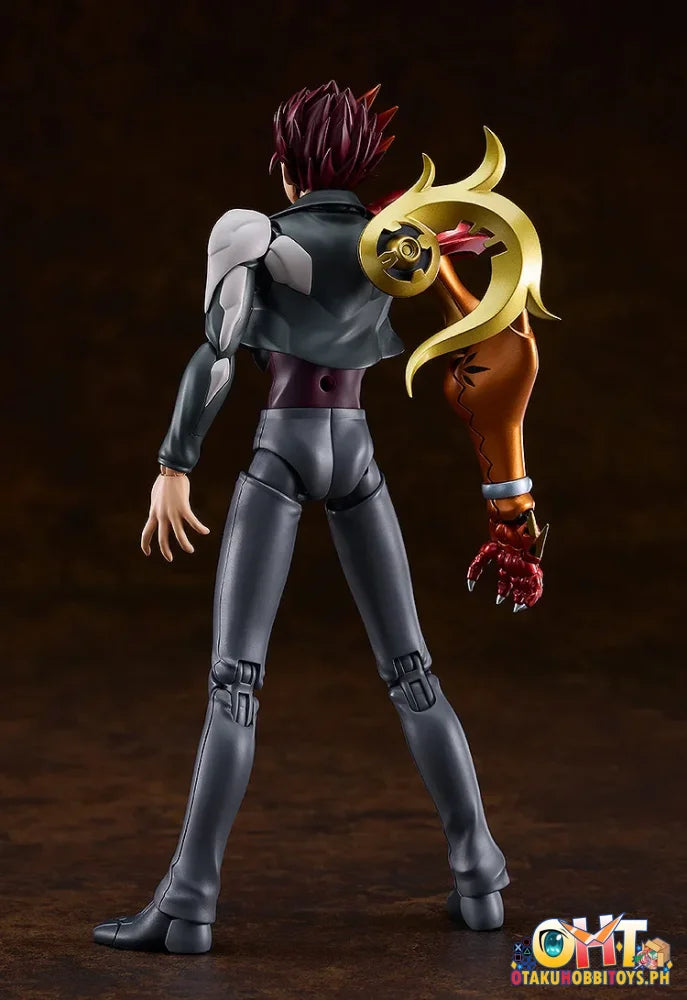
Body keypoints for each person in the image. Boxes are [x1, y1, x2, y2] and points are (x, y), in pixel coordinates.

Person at [94, 81, 547, 954]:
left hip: (284, 445)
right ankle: (480, 877)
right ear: (359, 163)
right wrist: (510, 502)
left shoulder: (257, 233)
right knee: (411, 671)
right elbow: (497, 351)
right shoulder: (397, 241)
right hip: (356, 451)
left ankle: (188, 903)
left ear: (287, 164)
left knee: (236, 682)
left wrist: (174, 466)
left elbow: (218, 352)